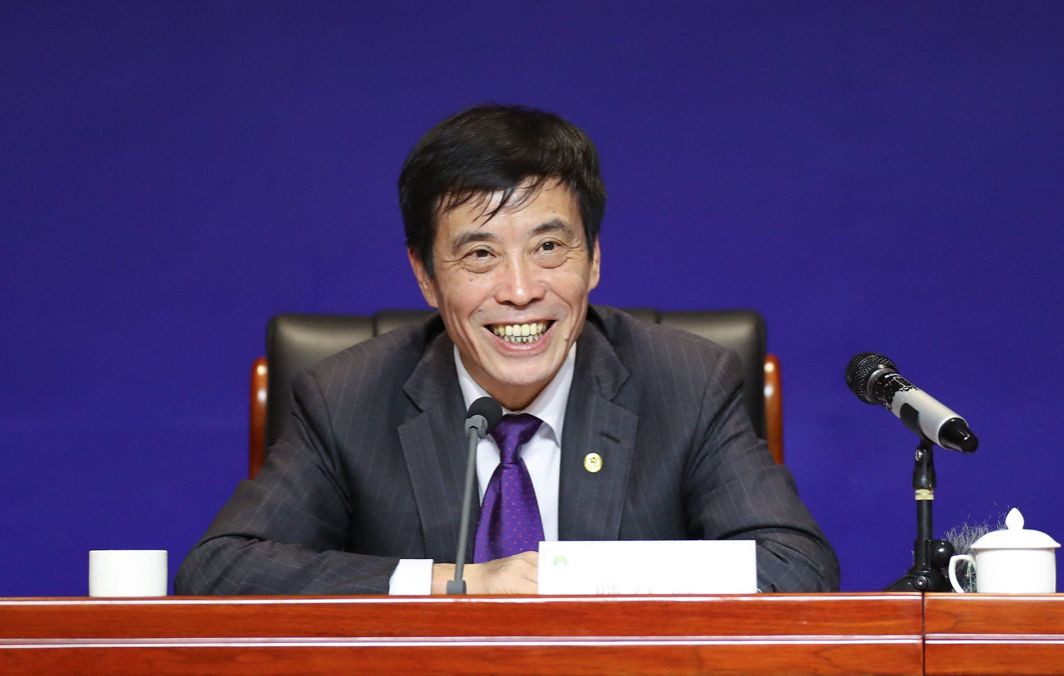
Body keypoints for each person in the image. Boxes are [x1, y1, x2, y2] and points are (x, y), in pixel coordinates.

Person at [175, 104, 839, 595]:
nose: (520, 291)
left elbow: (794, 567)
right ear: (425, 277)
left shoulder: (686, 382)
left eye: (549, 247)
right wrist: (452, 583)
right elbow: (221, 571)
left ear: (594, 259)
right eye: (480, 255)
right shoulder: (345, 399)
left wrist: (576, 584)